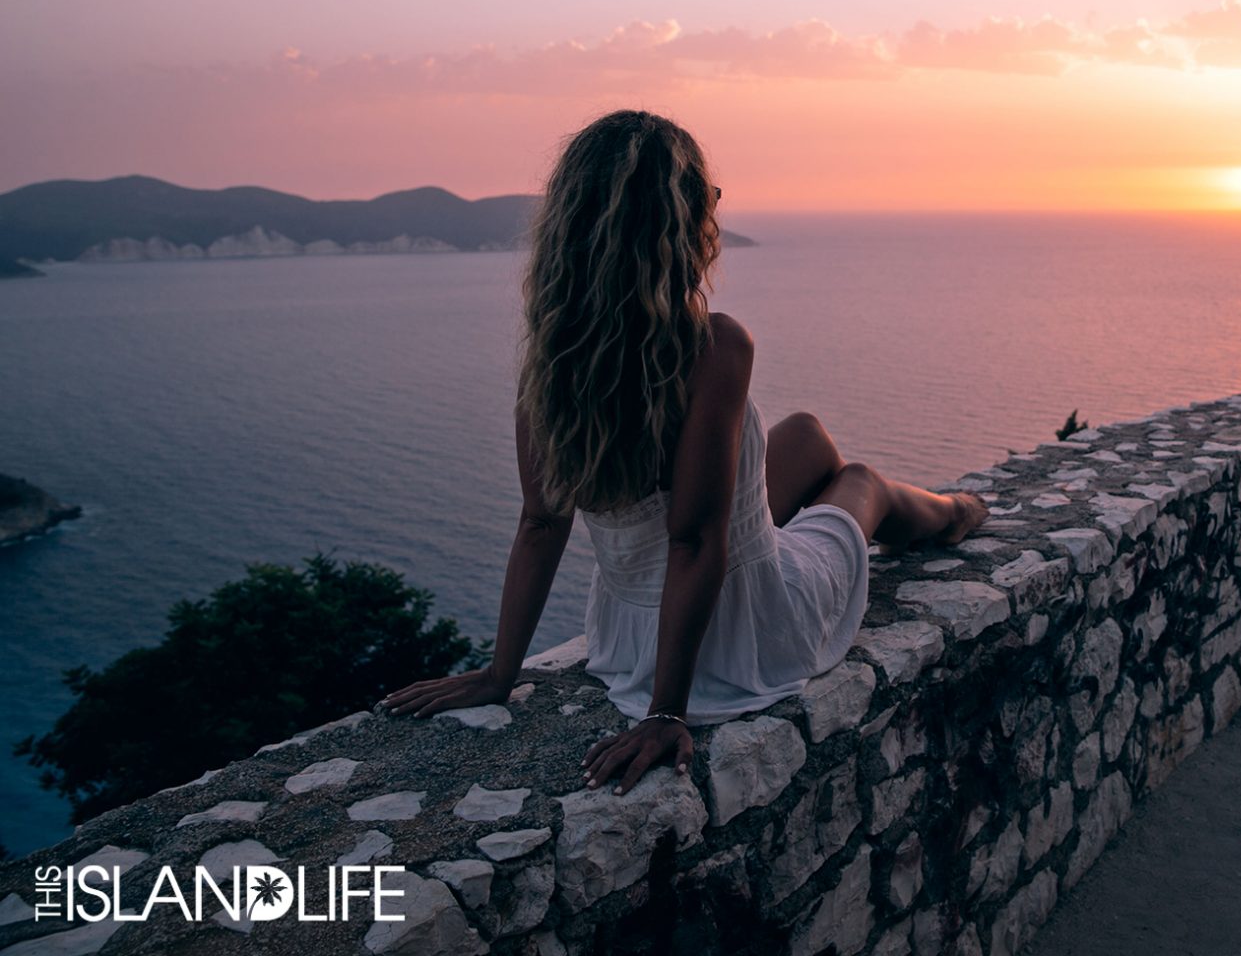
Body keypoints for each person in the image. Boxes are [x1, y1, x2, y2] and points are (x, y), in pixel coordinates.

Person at [381, 110, 985, 794]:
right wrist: (667, 711)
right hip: (741, 630)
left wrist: (501, 673)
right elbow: (695, 541)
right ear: (679, 224)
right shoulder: (714, 346)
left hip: (627, 637)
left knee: (807, 433)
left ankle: (895, 510)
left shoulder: (550, 362)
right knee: (862, 480)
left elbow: (540, 523)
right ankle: (957, 512)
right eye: (709, 200)